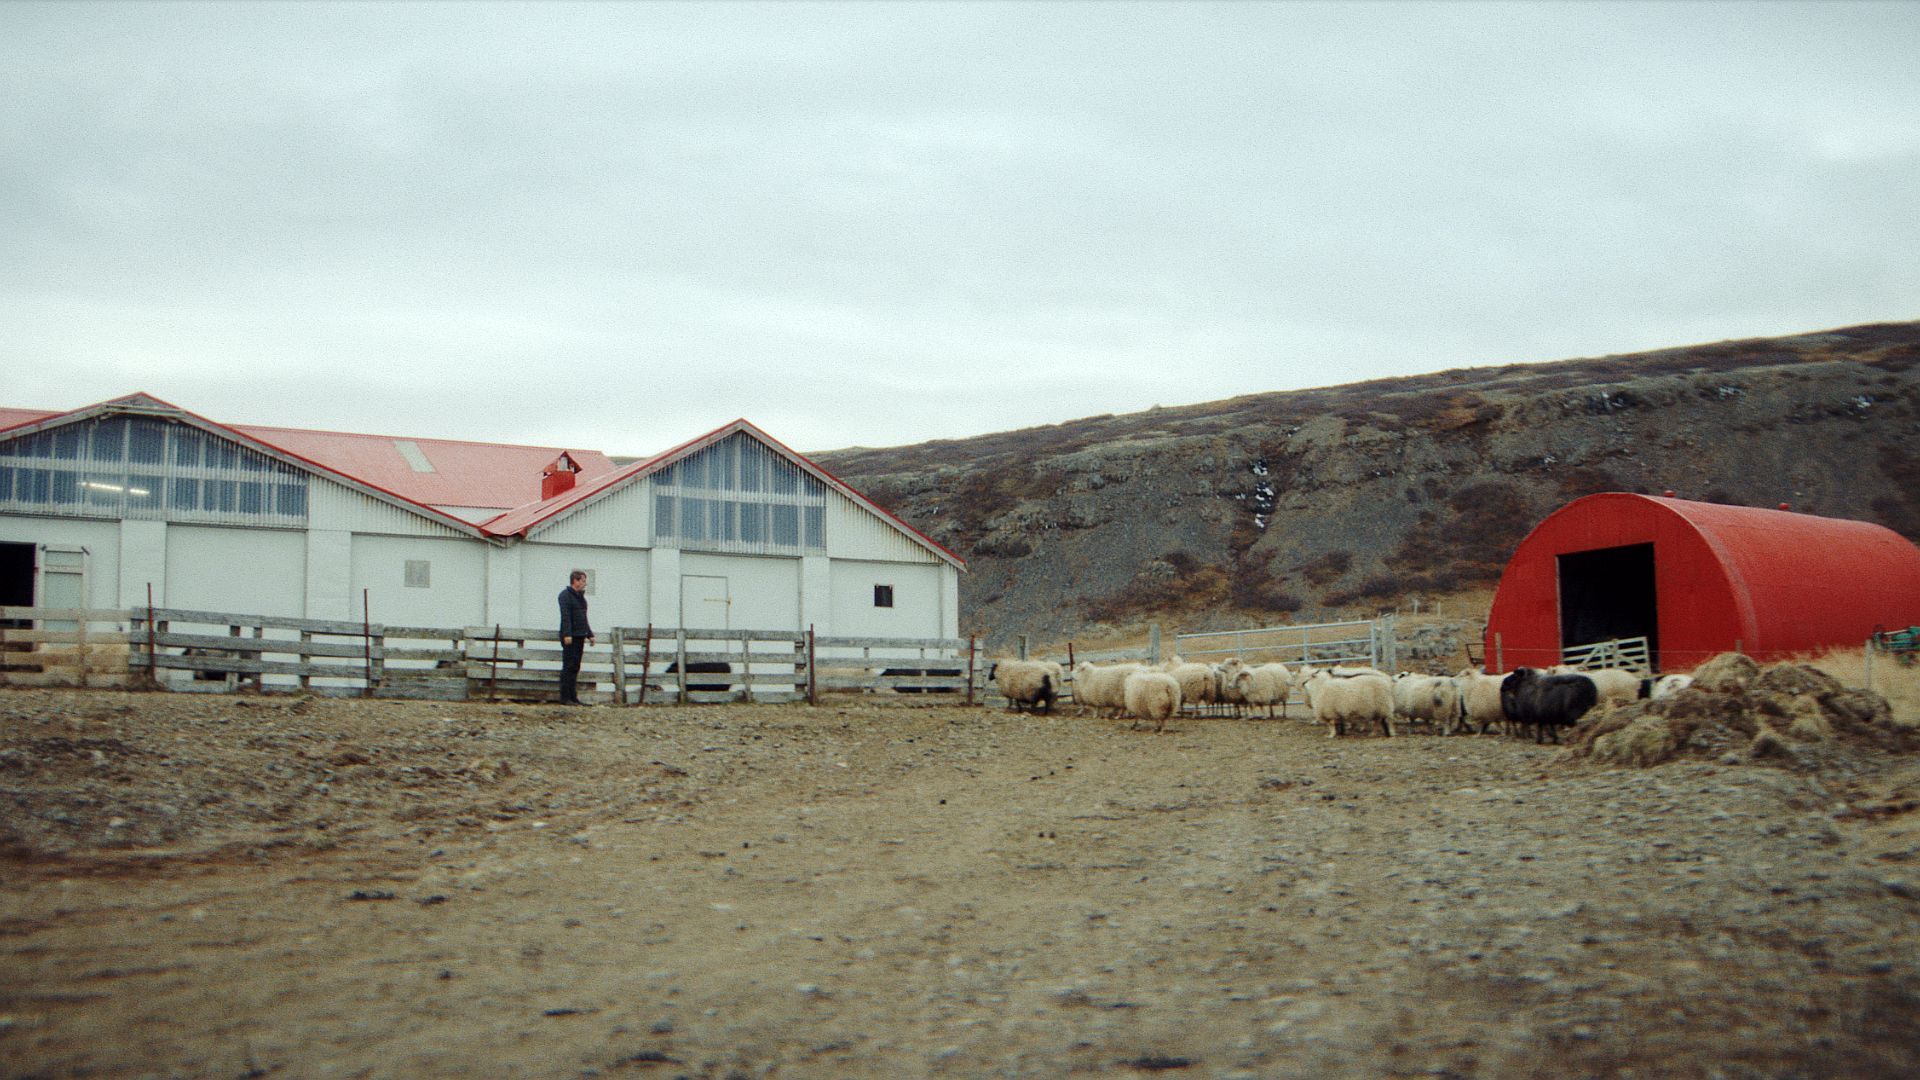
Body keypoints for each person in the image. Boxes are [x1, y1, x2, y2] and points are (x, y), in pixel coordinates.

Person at [558, 569, 593, 705]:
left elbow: (583, 617)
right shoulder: (565, 596)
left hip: (579, 635)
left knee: (575, 667)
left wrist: (589, 634)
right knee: (568, 666)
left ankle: (573, 697)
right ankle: (565, 697)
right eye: (583, 580)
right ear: (575, 580)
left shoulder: (580, 597)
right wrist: (567, 634)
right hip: (571, 637)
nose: (585, 583)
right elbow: (565, 616)